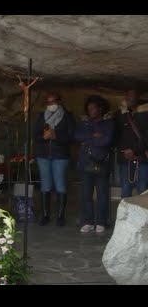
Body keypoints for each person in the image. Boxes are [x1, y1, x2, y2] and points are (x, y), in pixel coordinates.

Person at [33, 91, 75, 226]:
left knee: (60, 185)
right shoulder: (41, 116)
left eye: (53, 101)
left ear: (59, 102)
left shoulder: (67, 117)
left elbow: (72, 137)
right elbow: (35, 136)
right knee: (45, 185)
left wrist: (56, 136)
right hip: (43, 155)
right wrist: (43, 138)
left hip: (60, 155)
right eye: (48, 102)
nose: (51, 104)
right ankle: (45, 215)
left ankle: (60, 216)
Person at [74, 95, 114, 233]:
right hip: (85, 163)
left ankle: (101, 222)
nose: (90, 110)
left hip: (102, 163)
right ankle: (88, 221)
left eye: (93, 108)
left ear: (100, 109)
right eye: (89, 108)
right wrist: (94, 137)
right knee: (86, 194)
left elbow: (107, 141)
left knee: (102, 194)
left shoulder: (108, 124)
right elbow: (77, 136)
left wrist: (89, 140)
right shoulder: (84, 123)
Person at [114, 89, 148, 198]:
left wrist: (134, 150)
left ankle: (141, 215)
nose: (130, 99)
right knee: (125, 191)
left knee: (142, 192)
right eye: (128, 96)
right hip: (125, 159)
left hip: (141, 159)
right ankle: (126, 215)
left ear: (139, 98)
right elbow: (116, 135)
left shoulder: (146, 113)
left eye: (133, 96)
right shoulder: (120, 114)